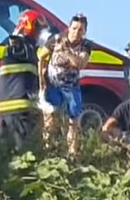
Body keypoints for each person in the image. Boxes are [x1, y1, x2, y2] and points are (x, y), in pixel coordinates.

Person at [39, 13, 91, 157]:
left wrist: (66, 51)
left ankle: (72, 153)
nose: (76, 32)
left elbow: (80, 64)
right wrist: (42, 80)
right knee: (50, 118)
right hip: (53, 84)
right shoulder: (56, 39)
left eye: (80, 30)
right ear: (69, 28)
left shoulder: (85, 45)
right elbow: (41, 56)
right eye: (74, 28)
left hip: (71, 86)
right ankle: (47, 150)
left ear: (84, 31)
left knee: (73, 121)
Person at [0, 9, 46, 151]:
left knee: (3, 153)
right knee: (24, 152)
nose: (40, 35)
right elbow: (16, 43)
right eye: (38, 30)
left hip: (5, 107)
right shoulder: (21, 45)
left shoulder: (25, 48)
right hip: (19, 108)